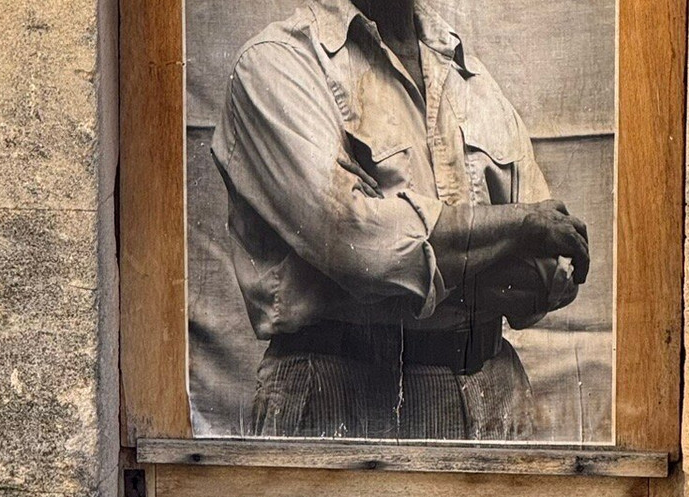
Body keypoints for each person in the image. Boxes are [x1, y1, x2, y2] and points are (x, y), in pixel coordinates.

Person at [211, 0, 590, 441]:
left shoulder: (466, 72)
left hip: (495, 396)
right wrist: (518, 229)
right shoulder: (275, 63)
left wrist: (424, 255)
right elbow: (360, 246)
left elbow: (552, 267)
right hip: (342, 396)